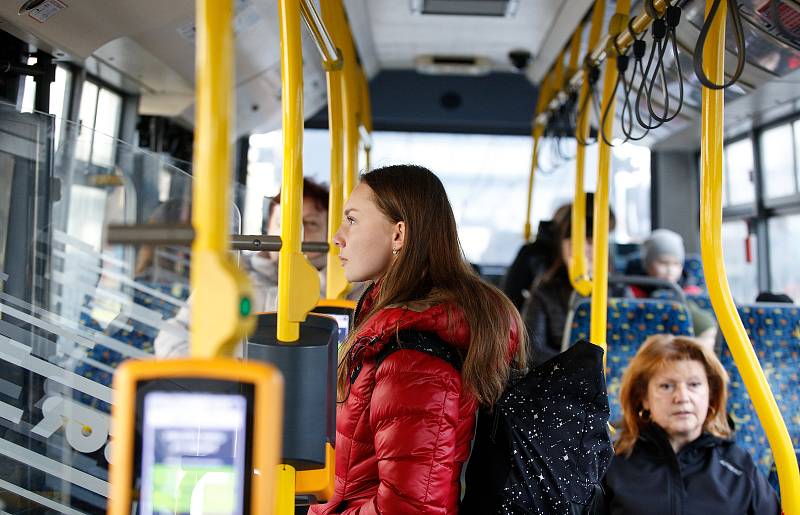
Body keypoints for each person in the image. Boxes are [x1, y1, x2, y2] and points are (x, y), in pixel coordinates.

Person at [309, 165, 526, 514]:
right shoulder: (391, 331)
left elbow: (411, 509)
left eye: (352, 219)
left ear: (399, 235)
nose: (338, 236)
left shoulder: (412, 360)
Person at [154, 178, 346, 358]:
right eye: (283, 223)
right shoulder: (231, 275)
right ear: (268, 228)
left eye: (311, 224)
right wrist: (224, 375)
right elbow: (171, 339)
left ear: (328, 233)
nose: (298, 235)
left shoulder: (342, 290)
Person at [603, 334, 780, 515]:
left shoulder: (737, 465)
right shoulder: (612, 462)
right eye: (666, 386)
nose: (682, 397)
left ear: (710, 394)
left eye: (694, 384)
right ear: (644, 398)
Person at [522, 196, 616, 365]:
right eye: (573, 244)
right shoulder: (546, 291)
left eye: (590, 242)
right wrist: (576, 367)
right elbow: (533, 348)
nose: (583, 251)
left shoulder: (619, 289)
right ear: (562, 247)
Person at [629, 229, 717, 345]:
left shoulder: (691, 291)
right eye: (663, 263)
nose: (670, 270)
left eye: (676, 264)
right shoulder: (631, 292)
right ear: (648, 264)